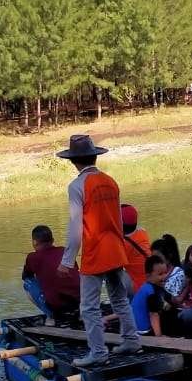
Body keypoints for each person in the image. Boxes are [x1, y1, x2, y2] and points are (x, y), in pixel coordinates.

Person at [57, 134, 140, 366]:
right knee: (119, 299)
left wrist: (67, 260)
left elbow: (75, 226)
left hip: (95, 252)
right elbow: (119, 220)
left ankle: (98, 352)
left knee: (89, 306)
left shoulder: (76, 186)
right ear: (94, 157)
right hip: (116, 248)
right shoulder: (110, 181)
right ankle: (131, 340)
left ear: (73, 161)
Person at [22, 225, 80, 321]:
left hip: (57, 307)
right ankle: (81, 310)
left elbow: (26, 276)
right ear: (52, 240)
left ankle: (50, 315)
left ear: (34, 242)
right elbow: (75, 269)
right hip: (79, 301)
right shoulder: (65, 250)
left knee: (28, 283)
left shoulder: (32, 257)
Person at [128, 254, 171, 335]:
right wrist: (159, 337)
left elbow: (131, 307)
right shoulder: (152, 292)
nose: (164, 277)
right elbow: (153, 315)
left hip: (134, 328)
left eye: (165, 273)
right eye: (160, 274)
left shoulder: (145, 287)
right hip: (145, 331)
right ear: (148, 276)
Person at [120, 203, 151, 291]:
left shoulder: (122, 245)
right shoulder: (142, 232)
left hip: (139, 287)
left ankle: (120, 302)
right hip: (151, 282)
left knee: (111, 273)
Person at [150, 234, 187, 303]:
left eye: (158, 258)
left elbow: (176, 301)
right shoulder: (155, 274)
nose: (154, 262)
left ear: (169, 256)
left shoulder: (179, 275)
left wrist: (160, 285)